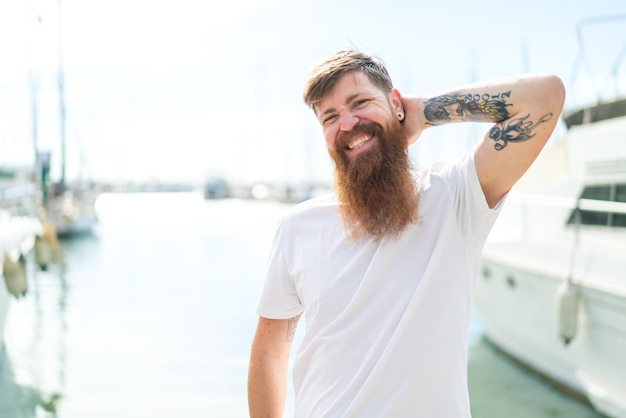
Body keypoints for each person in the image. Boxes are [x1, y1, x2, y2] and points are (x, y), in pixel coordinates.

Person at [247, 49, 565, 417]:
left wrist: (425, 112)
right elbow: (270, 350)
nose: (347, 124)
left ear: (397, 104)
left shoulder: (456, 195)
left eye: (360, 102)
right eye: (329, 117)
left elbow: (544, 97)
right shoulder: (297, 228)